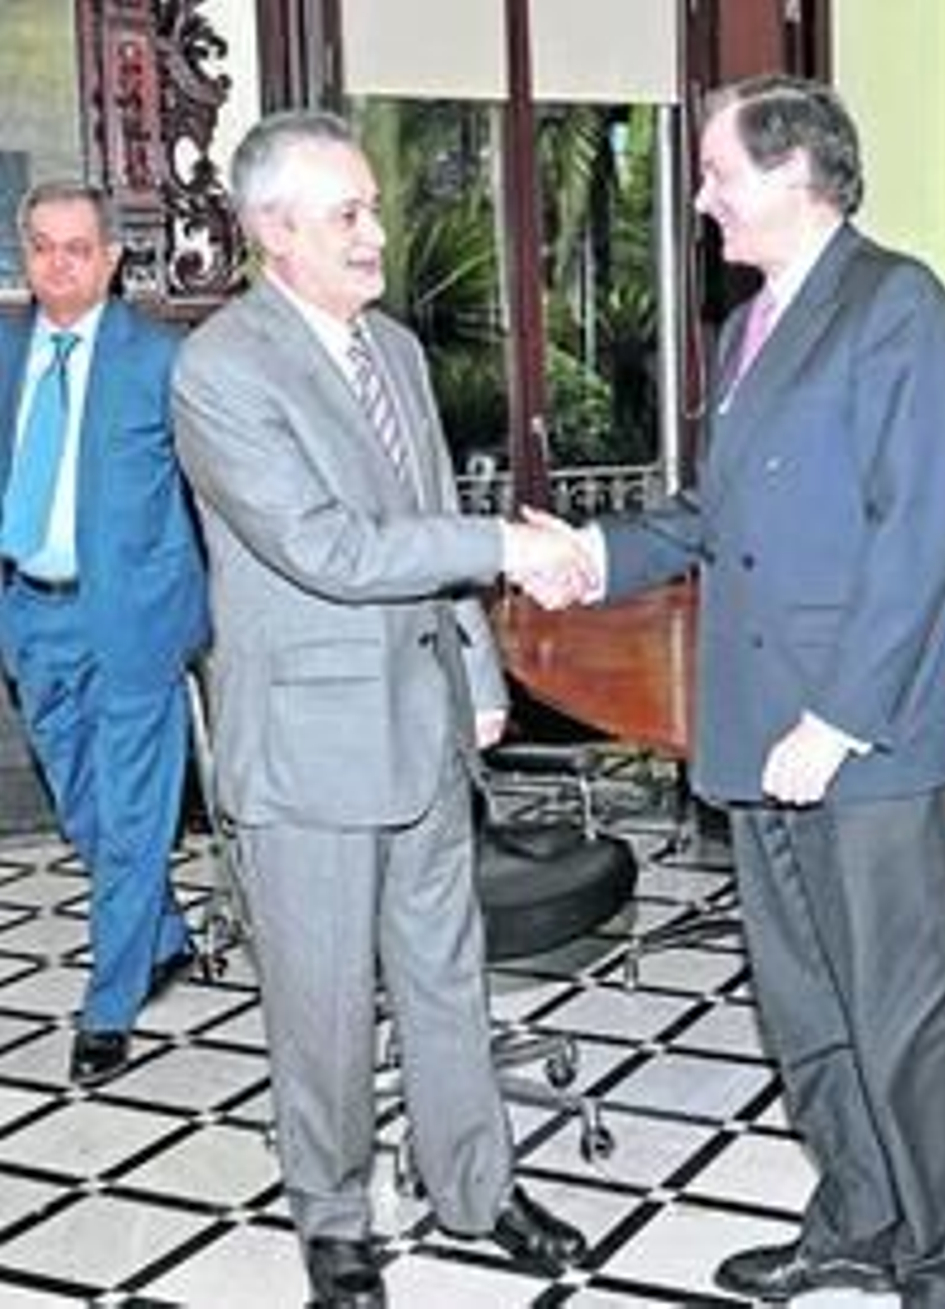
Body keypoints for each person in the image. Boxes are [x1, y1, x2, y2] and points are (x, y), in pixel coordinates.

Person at [554, 74, 945, 1307]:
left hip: (866, 733)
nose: (701, 201)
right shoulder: (745, 325)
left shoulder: (895, 299)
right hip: (759, 721)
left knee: (900, 1017)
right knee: (804, 1005)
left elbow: (914, 532)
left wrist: (839, 720)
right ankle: (857, 1219)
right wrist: (591, 553)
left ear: (797, 173)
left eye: (717, 175)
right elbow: (714, 513)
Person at [170, 110, 595, 1309]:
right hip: (308, 748)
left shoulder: (396, 350)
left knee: (448, 976)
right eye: (348, 213)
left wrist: (477, 680)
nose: (377, 232)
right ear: (273, 231)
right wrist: (507, 544)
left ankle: (476, 1188)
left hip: (423, 724)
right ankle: (335, 1220)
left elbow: (427, 515)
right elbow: (330, 548)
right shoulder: (220, 370)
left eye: (371, 207)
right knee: (321, 1005)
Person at [0, 181, 207, 1088]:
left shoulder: (162, 359)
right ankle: (161, 935)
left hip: (134, 623)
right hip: (30, 614)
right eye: (42, 246)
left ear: (113, 258)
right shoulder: (5, 353)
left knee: (129, 815)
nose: (59, 264)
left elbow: (215, 495)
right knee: (82, 804)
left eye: (78, 247)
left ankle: (110, 1005)